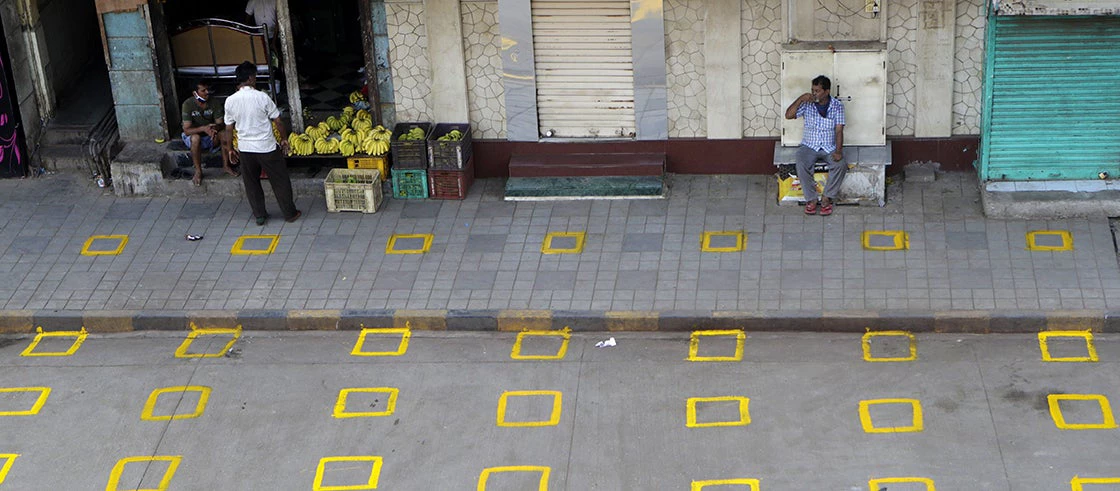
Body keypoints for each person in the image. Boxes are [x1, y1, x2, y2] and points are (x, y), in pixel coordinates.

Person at [223, 61, 301, 226]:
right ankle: (290, 213)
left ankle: (259, 215)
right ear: (251, 78)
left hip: (245, 149)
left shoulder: (230, 101)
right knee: (280, 180)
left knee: (251, 183)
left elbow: (229, 129)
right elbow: (278, 121)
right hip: (266, 147)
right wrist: (284, 139)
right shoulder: (262, 97)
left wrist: (230, 149)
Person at [784, 75, 847, 216]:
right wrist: (801, 99)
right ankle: (811, 199)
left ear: (827, 91)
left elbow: (839, 130)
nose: (814, 94)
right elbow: (788, 115)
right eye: (812, 90)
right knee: (801, 162)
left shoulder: (837, 106)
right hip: (809, 146)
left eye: (817, 91)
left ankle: (827, 198)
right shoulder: (807, 104)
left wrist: (838, 151)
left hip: (828, 147)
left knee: (840, 165)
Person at [181, 79, 237, 186]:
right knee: (195, 138)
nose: (207, 92)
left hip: (211, 136)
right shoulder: (187, 104)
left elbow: (221, 123)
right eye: (203, 90)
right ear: (195, 93)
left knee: (225, 134)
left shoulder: (214, 102)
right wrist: (203, 128)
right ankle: (198, 171)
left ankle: (226, 166)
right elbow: (187, 130)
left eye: (207, 89)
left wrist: (214, 128)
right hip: (194, 138)